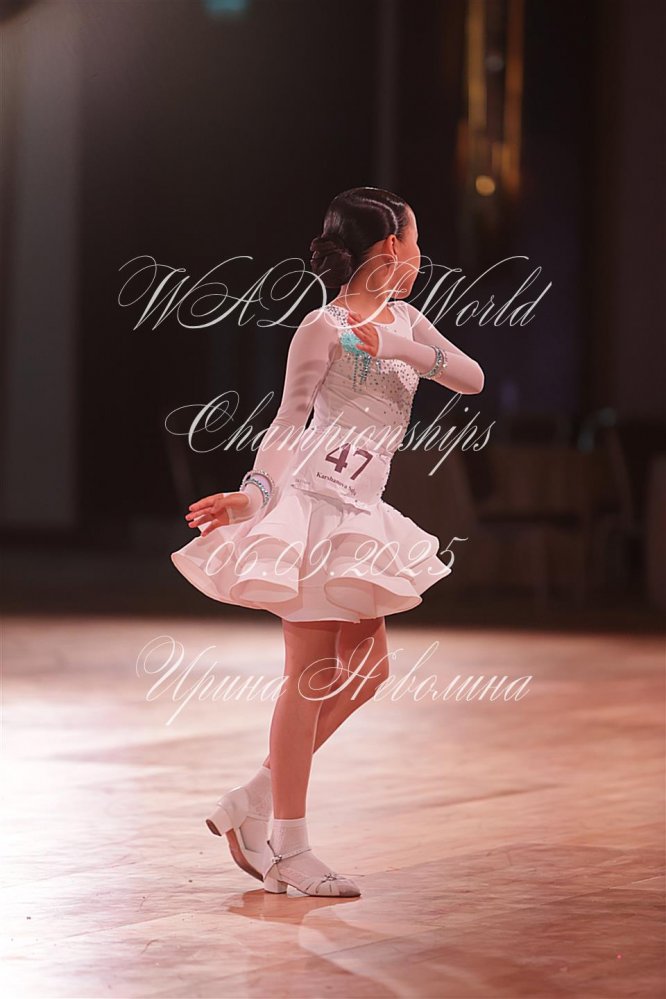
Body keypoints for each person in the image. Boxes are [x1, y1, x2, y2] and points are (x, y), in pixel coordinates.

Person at [171, 186, 485, 897]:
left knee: (368, 671)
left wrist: (401, 346)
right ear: (391, 247)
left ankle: (255, 800)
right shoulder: (322, 325)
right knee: (310, 675)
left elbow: (472, 378)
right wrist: (255, 495)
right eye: (415, 241)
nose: (420, 255)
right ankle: (289, 847)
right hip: (312, 507)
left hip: (361, 513)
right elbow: (289, 423)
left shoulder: (406, 319)